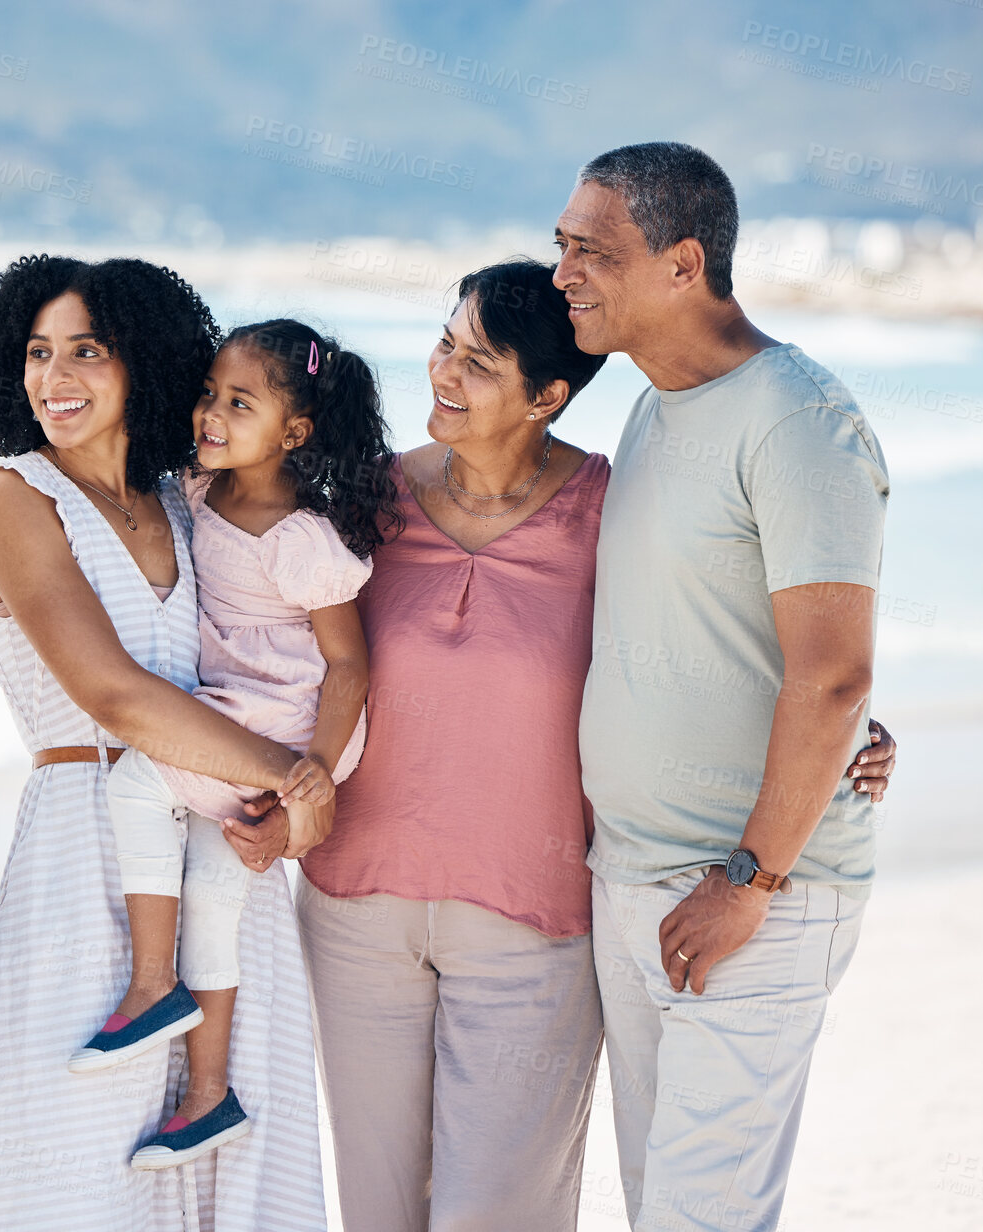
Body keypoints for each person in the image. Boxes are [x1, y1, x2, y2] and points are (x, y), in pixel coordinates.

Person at [286, 258, 897, 1231]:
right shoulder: (366, 501)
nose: (443, 370)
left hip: (534, 926)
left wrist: (850, 727)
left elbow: (722, 633)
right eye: (445, 342)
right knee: (377, 1212)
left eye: (478, 361)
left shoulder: (608, 511)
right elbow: (260, 621)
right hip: (354, 909)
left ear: (547, 395)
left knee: (496, 1214)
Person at [0, 256, 329, 1229]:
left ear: (143, 362)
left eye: (85, 350)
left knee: (235, 1155)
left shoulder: (184, 496)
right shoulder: (8, 496)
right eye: (35, 353)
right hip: (85, 844)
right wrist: (286, 772)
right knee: (75, 1157)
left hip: (222, 844)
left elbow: (291, 625)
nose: (53, 376)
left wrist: (290, 800)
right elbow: (112, 693)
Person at [558, 142, 891, 1231]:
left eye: (590, 251)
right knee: (663, 1202)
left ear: (680, 263)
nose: (562, 271)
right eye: (561, 245)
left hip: (750, 894)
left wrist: (749, 877)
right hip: (635, 883)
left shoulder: (796, 417)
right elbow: (728, 633)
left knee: (697, 1217)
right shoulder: (653, 407)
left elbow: (834, 672)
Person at [83, 319, 396, 1171]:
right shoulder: (197, 488)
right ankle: (208, 1094)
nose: (212, 413)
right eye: (210, 394)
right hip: (242, 715)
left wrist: (312, 782)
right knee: (218, 888)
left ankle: (153, 985)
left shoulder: (301, 536)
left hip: (288, 724)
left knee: (139, 783)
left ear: (294, 432)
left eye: (240, 403)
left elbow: (347, 667)